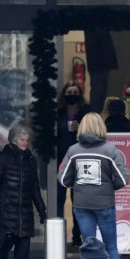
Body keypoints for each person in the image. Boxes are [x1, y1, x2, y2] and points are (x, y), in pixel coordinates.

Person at [59, 112, 129, 259]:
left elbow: (63, 178)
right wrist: (109, 188)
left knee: (88, 247)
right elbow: (123, 179)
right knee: (111, 247)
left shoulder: (73, 151)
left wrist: (77, 186)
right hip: (105, 204)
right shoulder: (110, 151)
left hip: (82, 204)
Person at [0, 124, 47, 259]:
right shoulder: (3, 157)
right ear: (13, 140)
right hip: (5, 210)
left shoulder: (31, 160)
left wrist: (41, 209)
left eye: (27, 140)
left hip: (24, 211)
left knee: (23, 249)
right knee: (0, 249)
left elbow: (34, 187)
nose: (25, 142)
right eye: (21, 139)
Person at [57, 81, 92, 246]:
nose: (72, 94)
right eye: (69, 92)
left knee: (78, 200)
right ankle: (57, 234)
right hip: (61, 158)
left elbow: (93, 132)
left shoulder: (86, 112)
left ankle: (77, 235)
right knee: (58, 199)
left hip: (80, 159)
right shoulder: (59, 112)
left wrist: (81, 129)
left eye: (75, 91)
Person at [83, 29, 118, 113]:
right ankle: (95, 116)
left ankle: (96, 115)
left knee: (100, 92)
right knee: (98, 92)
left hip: (99, 62)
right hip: (99, 61)